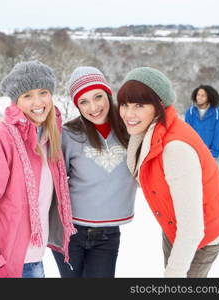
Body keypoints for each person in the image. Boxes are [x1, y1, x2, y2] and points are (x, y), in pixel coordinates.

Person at [0, 60, 76, 278]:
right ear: (16, 102)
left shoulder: (50, 140)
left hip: (32, 261)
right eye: (27, 95)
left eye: (43, 92)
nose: (37, 102)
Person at [117, 67, 219, 277]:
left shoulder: (175, 149)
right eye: (125, 104)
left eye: (140, 105)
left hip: (200, 238)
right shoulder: (148, 131)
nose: (128, 114)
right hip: (175, 227)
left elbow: (192, 231)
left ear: (159, 106)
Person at [51, 66, 137, 278]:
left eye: (98, 96)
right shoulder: (69, 134)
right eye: (84, 101)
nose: (93, 107)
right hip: (69, 230)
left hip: (108, 233)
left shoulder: (131, 130)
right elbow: (52, 178)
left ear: (108, 94)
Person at [185, 85, 219, 210]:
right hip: (194, 154)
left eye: (203, 95)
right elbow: (187, 133)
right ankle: (198, 208)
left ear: (209, 97)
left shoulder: (216, 113)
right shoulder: (189, 112)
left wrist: (214, 152)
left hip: (212, 154)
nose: (199, 97)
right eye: (198, 95)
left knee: (216, 181)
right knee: (193, 182)